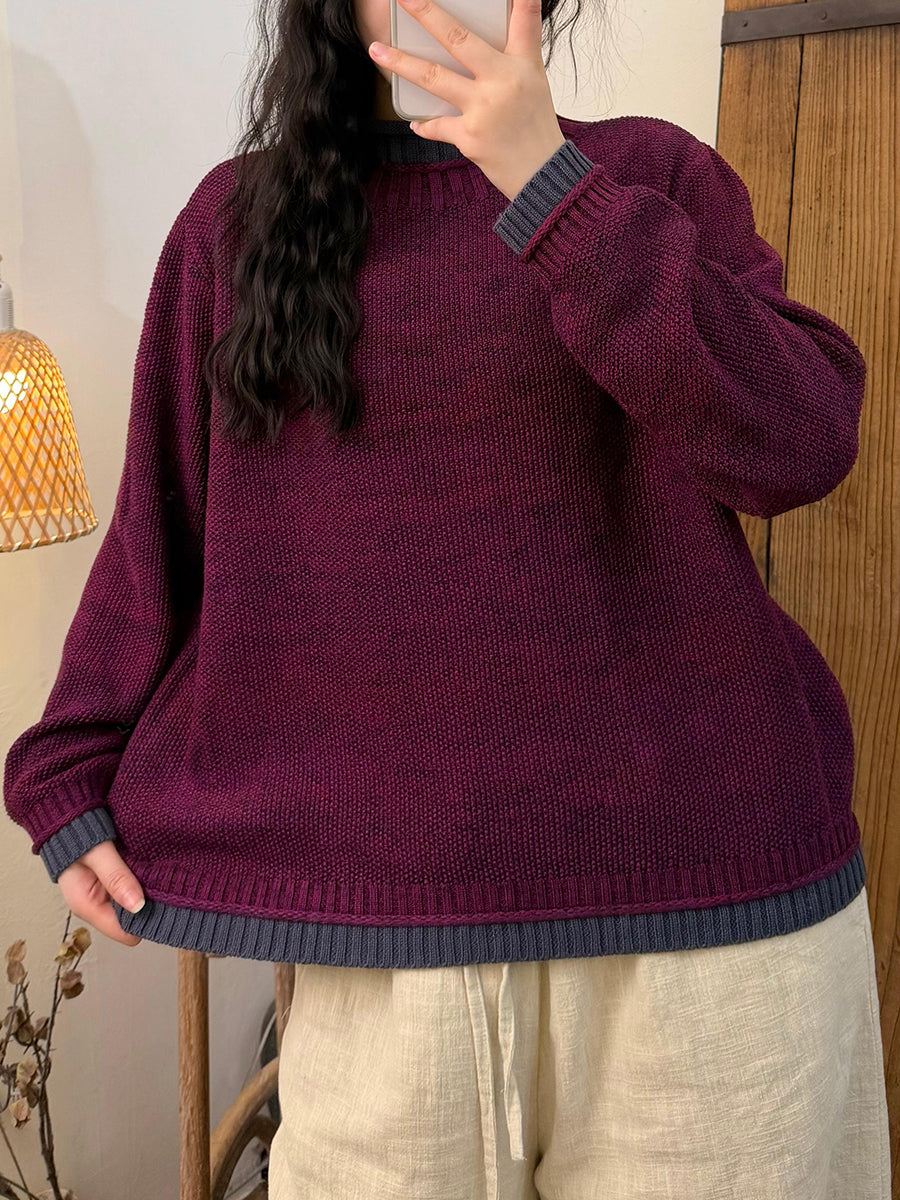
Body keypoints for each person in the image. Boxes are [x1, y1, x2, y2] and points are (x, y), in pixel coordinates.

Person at [4, 0, 891, 1194]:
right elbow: (162, 530)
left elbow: (801, 441)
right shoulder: (236, 226)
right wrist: (66, 767)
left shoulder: (653, 175)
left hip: (714, 913)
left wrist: (551, 189)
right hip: (385, 930)